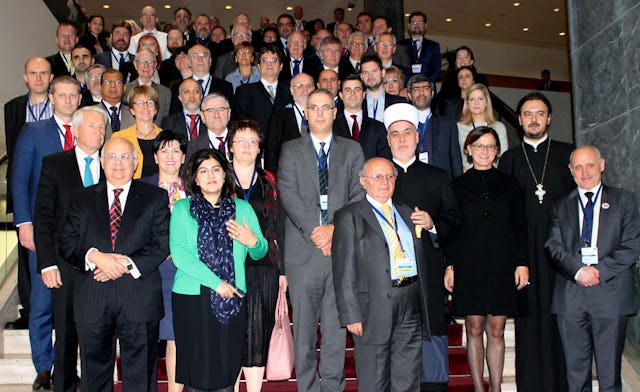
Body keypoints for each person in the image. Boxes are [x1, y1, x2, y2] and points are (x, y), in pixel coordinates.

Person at [59, 137, 170, 391]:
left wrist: (122, 265)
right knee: (94, 377)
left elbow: (161, 243)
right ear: (101, 161)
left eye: (124, 157)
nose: (118, 163)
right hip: (93, 299)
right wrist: (95, 257)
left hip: (138, 298)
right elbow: (66, 243)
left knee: (141, 378)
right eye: (111, 156)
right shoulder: (81, 198)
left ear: (135, 163)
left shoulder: (156, 197)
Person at [277, 89, 365, 392]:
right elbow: (288, 195)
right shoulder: (290, 149)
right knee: (303, 331)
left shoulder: (352, 151)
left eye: (325, 107)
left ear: (335, 111)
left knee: (335, 330)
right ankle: (308, 388)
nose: (319, 113)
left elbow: (358, 194)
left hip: (340, 252)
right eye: (313, 107)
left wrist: (334, 229)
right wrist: (318, 230)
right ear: (306, 112)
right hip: (303, 253)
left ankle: (332, 388)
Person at [170, 148, 267, 391]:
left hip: (231, 297)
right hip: (192, 297)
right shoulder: (183, 209)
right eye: (203, 171)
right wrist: (217, 283)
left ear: (225, 174)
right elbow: (180, 255)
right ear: (195, 178)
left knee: (226, 370)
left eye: (216, 169)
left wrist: (251, 240)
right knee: (195, 372)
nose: (211, 175)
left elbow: (261, 251)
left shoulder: (242, 209)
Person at [545, 145, 640, 392]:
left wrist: (598, 271)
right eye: (578, 166)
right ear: (570, 170)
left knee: (610, 375)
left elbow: (632, 245)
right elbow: (553, 245)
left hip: (611, 294)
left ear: (602, 165)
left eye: (590, 165)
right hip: (571, 296)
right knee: (576, 375)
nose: (584, 171)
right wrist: (578, 271)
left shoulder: (624, 200)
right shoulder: (559, 204)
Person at [332, 157, 430, 392]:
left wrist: (431, 226)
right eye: (377, 177)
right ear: (363, 182)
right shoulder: (349, 216)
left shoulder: (407, 212)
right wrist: (350, 313)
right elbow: (343, 268)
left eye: (389, 176)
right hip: (371, 307)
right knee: (374, 382)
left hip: (410, 301)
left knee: (407, 379)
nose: (384, 181)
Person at [498, 92, 574, 392]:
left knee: (562, 322)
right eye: (528, 113)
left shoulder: (567, 155)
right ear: (518, 120)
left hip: (561, 254)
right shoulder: (510, 159)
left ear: (549, 118)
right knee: (529, 324)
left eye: (539, 113)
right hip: (524, 254)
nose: (533, 119)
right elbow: (504, 213)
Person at [445, 126, 529, 392]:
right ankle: (479, 389)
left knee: (496, 329)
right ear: (468, 149)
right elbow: (451, 229)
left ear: (497, 151)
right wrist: (449, 265)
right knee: (473, 328)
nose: (485, 151)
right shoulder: (455, 185)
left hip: (503, 263)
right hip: (468, 264)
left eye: (490, 147)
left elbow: (520, 225)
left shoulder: (509, 183)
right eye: (479, 146)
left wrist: (522, 262)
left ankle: (496, 387)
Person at [384, 102, 460, 392]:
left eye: (407, 133)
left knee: (431, 355)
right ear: (388, 140)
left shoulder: (437, 176)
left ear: (417, 137)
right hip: (388, 280)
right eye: (395, 134)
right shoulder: (378, 177)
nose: (402, 139)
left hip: (428, 275)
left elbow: (454, 220)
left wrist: (432, 223)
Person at [12, 76, 81, 390]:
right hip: (42, 231)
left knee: (76, 306)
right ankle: (43, 366)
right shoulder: (34, 132)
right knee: (41, 302)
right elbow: (19, 178)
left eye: (73, 95)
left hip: (79, 236)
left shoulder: (88, 132)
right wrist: (23, 222)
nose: (68, 100)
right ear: (51, 97)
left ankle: (68, 366)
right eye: (62, 95)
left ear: (80, 98)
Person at [33, 106, 108, 392]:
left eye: (102, 127)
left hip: (101, 265)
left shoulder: (111, 164)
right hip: (64, 266)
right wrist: (47, 263)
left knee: (99, 336)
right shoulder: (55, 164)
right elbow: (43, 216)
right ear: (74, 131)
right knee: (65, 336)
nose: (99, 132)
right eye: (92, 126)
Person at [228, 120, 286, 392]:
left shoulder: (269, 180)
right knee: (231, 332)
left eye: (253, 141)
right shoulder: (219, 177)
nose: (247, 147)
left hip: (265, 265)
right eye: (241, 141)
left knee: (259, 331)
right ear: (230, 147)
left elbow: (278, 224)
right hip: (227, 265)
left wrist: (283, 270)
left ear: (260, 148)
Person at [4, 57, 54, 331]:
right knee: (26, 259)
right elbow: (14, 155)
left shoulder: (60, 105)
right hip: (27, 190)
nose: (38, 78)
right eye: (33, 74)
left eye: (43, 73)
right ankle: (30, 308)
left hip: (55, 196)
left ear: (50, 77)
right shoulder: (13, 108)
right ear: (25, 77)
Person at [141, 130, 187, 392]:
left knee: (174, 335)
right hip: (148, 270)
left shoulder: (194, 188)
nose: (170, 156)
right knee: (145, 336)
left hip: (181, 271)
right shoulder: (142, 187)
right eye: (164, 150)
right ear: (156, 156)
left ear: (183, 157)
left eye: (176, 151)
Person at [405, 76, 463, 177]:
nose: (421, 93)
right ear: (409, 95)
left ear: (432, 94)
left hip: (442, 183)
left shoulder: (447, 123)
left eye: (425, 88)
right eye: (416, 89)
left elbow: (456, 159)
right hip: (411, 183)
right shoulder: (403, 124)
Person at [264, 72, 315, 173]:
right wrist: (272, 181)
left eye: (309, 85)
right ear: (291, 90)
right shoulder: (278, 116)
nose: (305, 89)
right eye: (300, 85)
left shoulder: (322, 114)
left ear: (314, 89)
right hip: (288, 176)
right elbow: (271, 151)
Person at [236, 44, 291, 134]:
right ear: (259, 66)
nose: (269, 64)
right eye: (264, 60)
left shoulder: (290, 90)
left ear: (281, 66)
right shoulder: (244, 91)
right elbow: (243, 124)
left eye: (274, 60)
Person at [334, 75, 391, 160]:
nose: (352, 94)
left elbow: (384, 159)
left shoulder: (378, 127)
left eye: (357, 89)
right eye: (348, 90)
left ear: (364, 94)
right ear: (341, 95)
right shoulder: (331, 126)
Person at [457, 83, 508, 171]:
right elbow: (456, 158)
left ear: (486, 102)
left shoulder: (499, 127)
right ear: (467, 103)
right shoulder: (458, 127)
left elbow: (502, 158)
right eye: (472, 99)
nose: (476, 103)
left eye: (480, 99)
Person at [116, 85, 162, 178]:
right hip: (132, 189)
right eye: (140, 103)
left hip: (160, 189)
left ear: (156, 109)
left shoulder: (165, 138)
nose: (145, 107)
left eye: (150, 103)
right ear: (132, 110)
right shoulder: (119, 138)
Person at [125, 49, 172, 121]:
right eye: (142, 62)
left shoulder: (165, 92)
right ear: (135, 64)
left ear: (155, 65)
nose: (146, 66)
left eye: (150, 62)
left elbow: (165, 122)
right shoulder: (125, 89)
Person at [186, 92, 233, 162]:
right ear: (202, 116)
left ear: (229, 113)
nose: (216, 115)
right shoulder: (193, 146)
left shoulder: (241, 141)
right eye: (210, 111)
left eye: (221, 109)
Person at [360, 55, 407, 123]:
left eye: (374, 71)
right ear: (361, 76)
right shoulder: (357, 103)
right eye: (365, 73)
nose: (370, 76)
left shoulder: (399, 102)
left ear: (383, 73)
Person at [398, 11, 441, 84]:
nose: (417, 25)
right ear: (409, 26)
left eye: (420, 22)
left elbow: (436, 69)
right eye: (414, 22)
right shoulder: (401, 45)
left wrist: (426, 84)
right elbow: (398, 68)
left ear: (425, 25)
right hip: (406, 88)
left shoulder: (433, 46)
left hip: (428, 88)